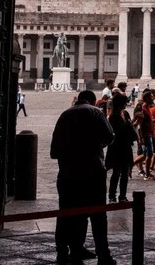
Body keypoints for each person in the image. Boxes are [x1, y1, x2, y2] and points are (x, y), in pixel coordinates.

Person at [50, 89, 116, 265]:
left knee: (66, 214)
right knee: (97, 215)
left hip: (68, 172)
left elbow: (54, 151)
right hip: (92, 170)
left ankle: (65, 252)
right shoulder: (95, 112)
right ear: (93, 101)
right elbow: (110, 136)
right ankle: (103, 254)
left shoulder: (65, 115)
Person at [105, 92, 137, 203]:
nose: (127, 103)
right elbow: (120, 130)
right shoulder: (113, 117)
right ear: (120, 103)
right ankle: (112, 196)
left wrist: (134, 122)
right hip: (117, 147)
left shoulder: (126, 113)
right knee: (116, 172)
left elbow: (130, 127)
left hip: (126, 146)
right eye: (125, 102)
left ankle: (122, 196)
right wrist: (131, 124)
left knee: (125, 173)